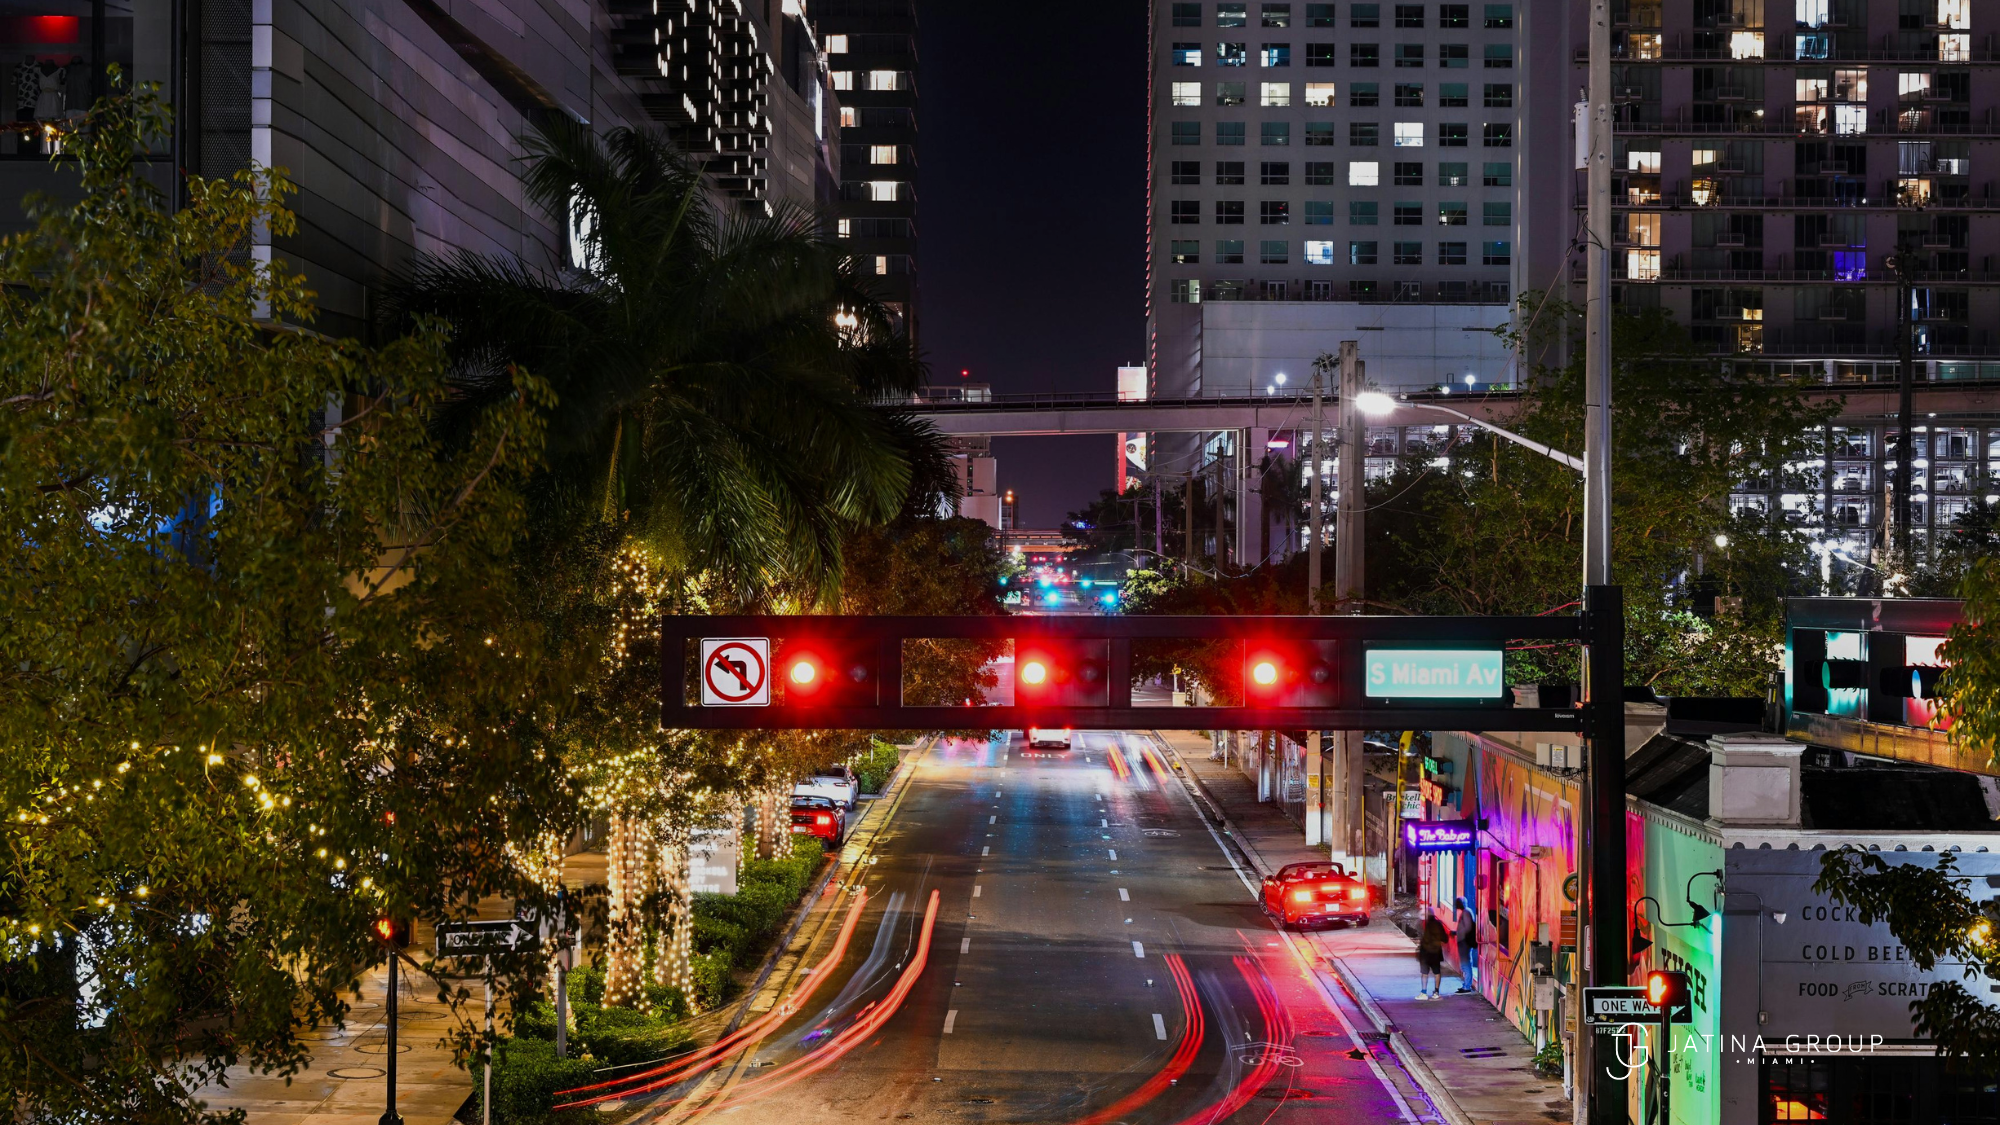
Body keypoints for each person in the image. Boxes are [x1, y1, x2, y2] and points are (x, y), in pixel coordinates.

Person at [1416, 913, 1448, 999]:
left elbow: (1422, 939)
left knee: (1424, 973)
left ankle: (1424, 992)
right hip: (1435, 953)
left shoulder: (1424, 924)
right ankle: (1436, 992)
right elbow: (1445, 939)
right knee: (1437, 972)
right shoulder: (1438, 924)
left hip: (1425, 953)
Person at [1452, 896, 1477, 993]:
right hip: (1464, 941)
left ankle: (1467, 986)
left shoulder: (1466, 912)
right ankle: (1466, 985)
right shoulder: (1466, 912)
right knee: (1465, 964)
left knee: (1465, 964)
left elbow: (1468, 927)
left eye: (1458, 903)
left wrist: (1460, 934)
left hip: (1465, 942)